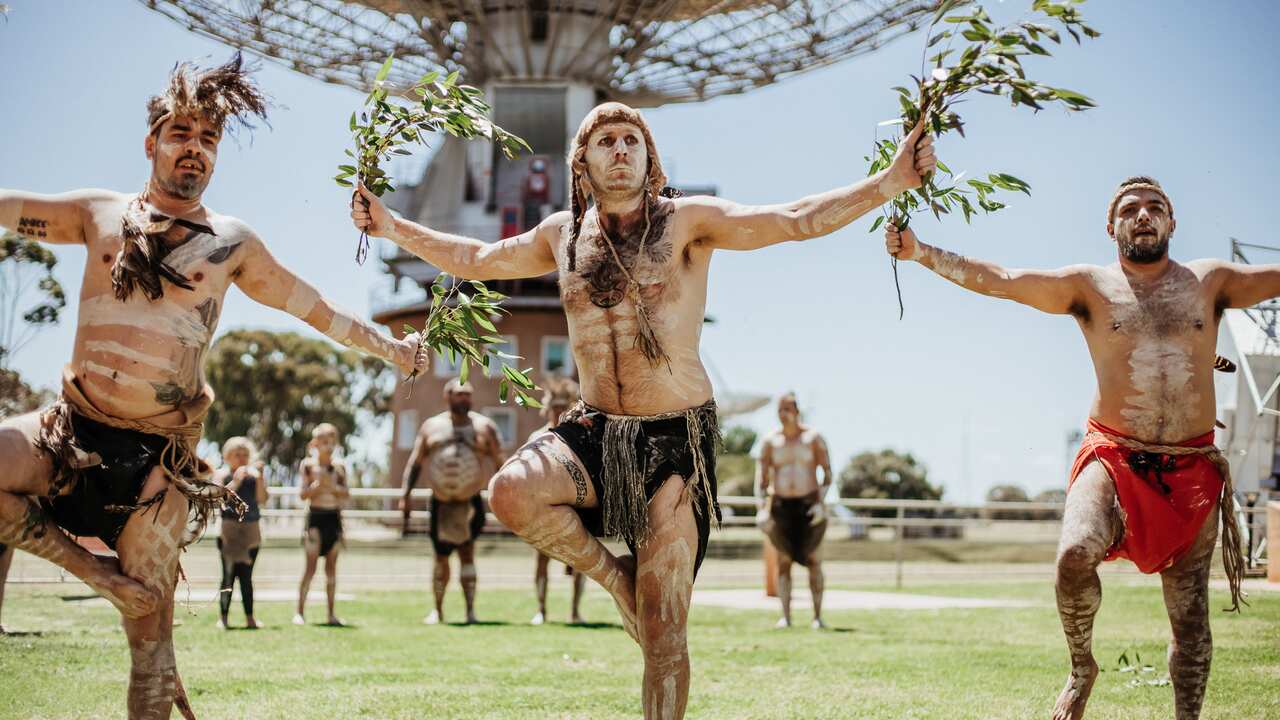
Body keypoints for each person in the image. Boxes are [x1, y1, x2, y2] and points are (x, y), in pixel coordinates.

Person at [352, 100, 935, 719]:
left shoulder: (686, 223)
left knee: (664, 637)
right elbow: (476, 261)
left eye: (632, 140)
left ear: (649, 157)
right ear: (583, 162)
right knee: (509, 494)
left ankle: (647, 616)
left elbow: (791, 219)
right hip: (595, 428)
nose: (621, 150)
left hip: (674, 442)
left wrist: (889, 182)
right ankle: (616, 582)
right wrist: (392, 227)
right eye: (607, 142)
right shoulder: (562, 234)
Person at [0, 54, 425, 717]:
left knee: (151, 644)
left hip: (152, 464)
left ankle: (126, 596)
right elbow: (8, 209)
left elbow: (311, 306)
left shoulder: (231, 244)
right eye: (179, 133)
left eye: (208, 139)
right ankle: (96, 575)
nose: (193, 149)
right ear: (151, 143)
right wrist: (95, 574)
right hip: (69, 431)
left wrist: (390, 345)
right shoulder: (97, 214)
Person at [883, 176, 1257, 720]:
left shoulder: (1209, 282)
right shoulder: (1091, 286)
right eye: (1131, 209)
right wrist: (920, 252)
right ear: (1112, 227)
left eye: (1156, 208)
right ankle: (1082, 666)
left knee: (1192, 618)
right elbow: (1004, 280)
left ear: (1173, 223)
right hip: (1112, 455)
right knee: (1074, 551)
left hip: (1191, 468)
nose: (1145, 215)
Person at [401, 379, 504, 624]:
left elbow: (502, 464)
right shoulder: (431, 427)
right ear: (447, 396)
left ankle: (470, 612)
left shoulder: (485, 427)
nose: (464, 399)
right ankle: (438, 610)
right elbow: (415, 463)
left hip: (470, 502)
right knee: (440, 557)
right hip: (440, 502)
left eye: (468, 394)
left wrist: (505, 499)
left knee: (468, 555)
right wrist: (405, 497)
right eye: (459, 394)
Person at [756, 393, 832, 629]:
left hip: (809, 505)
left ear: (796, 411)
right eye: (779, 409)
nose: (782, 414)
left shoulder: (813, 438)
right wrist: (761, 509)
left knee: (814, 561)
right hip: (781, 506)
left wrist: (820, 502)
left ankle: (817, 617)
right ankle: (786, 617)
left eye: (786, 409)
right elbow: (761, 479)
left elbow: (828, 475)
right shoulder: (770, 441)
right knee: (784, 562)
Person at [529, 377, 588, 626]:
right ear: (547, 407)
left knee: (581, 561)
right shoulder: (537, 437)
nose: (558, 411)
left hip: (575, 507)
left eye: (563, 406)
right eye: (554, 407)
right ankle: (541, 610)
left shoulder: (579, 435)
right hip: (544, 509)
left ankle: (575, 612)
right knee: (542, 559)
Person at [294, 423, 350, 626]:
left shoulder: (340, 467)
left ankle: (331, 614)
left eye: (331, 441)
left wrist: (332, 487)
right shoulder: (308, 466)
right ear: (315, 443)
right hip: (315, 519)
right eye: (324, 441)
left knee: (332, 570)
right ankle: (299, 612)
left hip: (333, 519)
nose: (328, 446)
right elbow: (302, 494)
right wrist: (316, 487)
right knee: (310, 568)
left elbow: (346, 494)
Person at [213, 437, 267, 630]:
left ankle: (250, 618)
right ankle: (224, 618)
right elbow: (218, 498)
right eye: (237, 454)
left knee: (247, 577)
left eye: (245, 454)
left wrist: (260, 478)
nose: (242, 458)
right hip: (229, 530)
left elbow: (262, 499)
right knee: (227, 576)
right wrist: (235, 481)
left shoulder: (254, 477)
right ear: (228, 456)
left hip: (251, 531)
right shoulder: (222, 475)